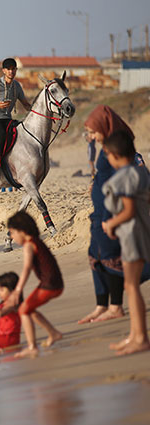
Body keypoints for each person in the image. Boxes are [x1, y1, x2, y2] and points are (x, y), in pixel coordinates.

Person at [79, 105, 135, 324]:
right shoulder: (104, 147)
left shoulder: (119, 147)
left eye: (94, 132)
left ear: (104, 126)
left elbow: (126, 175)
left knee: (111, 258)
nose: (92, 137)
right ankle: (101, 305)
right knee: (95, 257)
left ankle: (116, 306)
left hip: (111, 214)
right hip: (98, 212)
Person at [101, 130, 150, 355]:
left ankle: (140, 337)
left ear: (114, 154)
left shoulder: (124, 177)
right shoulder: (140, 172)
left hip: (133, 235)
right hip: (139, 232)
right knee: (131, 286)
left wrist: (111, 224)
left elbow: (128, 211)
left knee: (131, 286)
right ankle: (134, 335)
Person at [6, 211, 63, 358]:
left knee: (23, 310)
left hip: (50, 285)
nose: (12, 237)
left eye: (12, 233)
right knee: (29, 309)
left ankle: (32, 346)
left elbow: (26, 268)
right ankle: (54, 333)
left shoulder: (29, 245)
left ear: (22, 231)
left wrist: (18, 290)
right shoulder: (36, 241)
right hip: (54, 282)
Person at [0, 58, 32, 181]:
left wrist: (38, 112)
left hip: (8, 119)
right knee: (1, 134)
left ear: (16, 70)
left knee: (22, 133)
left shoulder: (17, 86)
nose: (11, 71)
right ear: (3, 71)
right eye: (8, 69)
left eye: (13, 69)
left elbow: (25, 104)